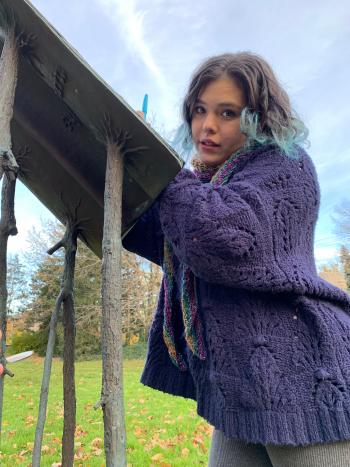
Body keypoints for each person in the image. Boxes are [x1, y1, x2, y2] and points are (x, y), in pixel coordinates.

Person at [123, 52, 350, 466]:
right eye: (199, 110)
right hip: (240, 388)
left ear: (260, 118)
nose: (207, 126)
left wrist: (158, 163)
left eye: (227, 113)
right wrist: (114, 172)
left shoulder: (287, 166)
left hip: (304, 384)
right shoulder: (204, 186)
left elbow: (218, 239)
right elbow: (165, 238)